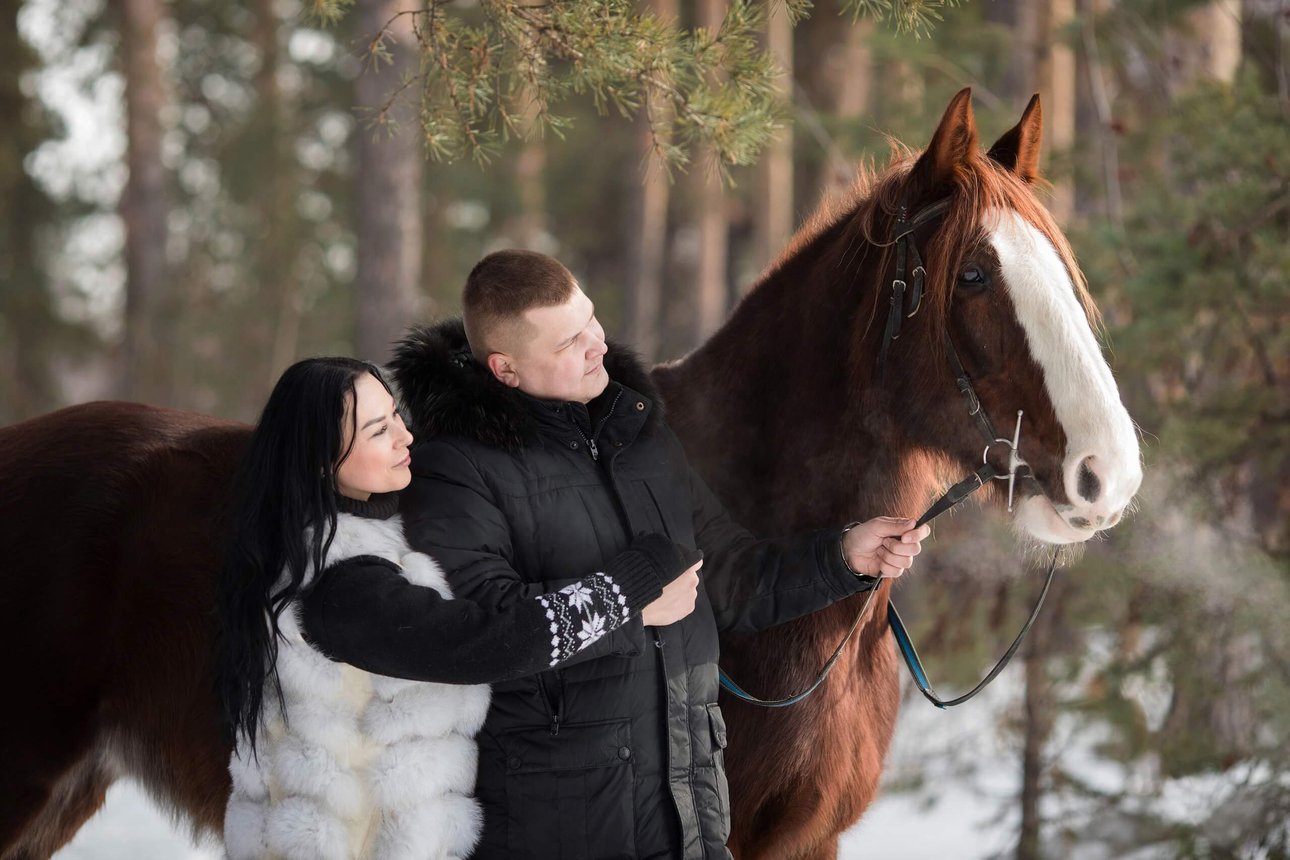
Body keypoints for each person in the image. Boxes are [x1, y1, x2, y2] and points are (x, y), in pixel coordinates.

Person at [389, 250, 932, 860]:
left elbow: (728, 580)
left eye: (590, 320)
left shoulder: (639, 436)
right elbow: (482, 632)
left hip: (688, 821)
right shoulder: (454, 468)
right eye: (569, 341)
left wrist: (842, 557)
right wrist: (627, 601)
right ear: (506, 369)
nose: (596, 343)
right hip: (562, 831)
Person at [213, 356, 701, 860]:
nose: (406, 438)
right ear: (320, 460)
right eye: (379, 431)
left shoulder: (355, 543)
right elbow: (488, 644)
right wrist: (630, 588)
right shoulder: (342, 587)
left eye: (397, 416)